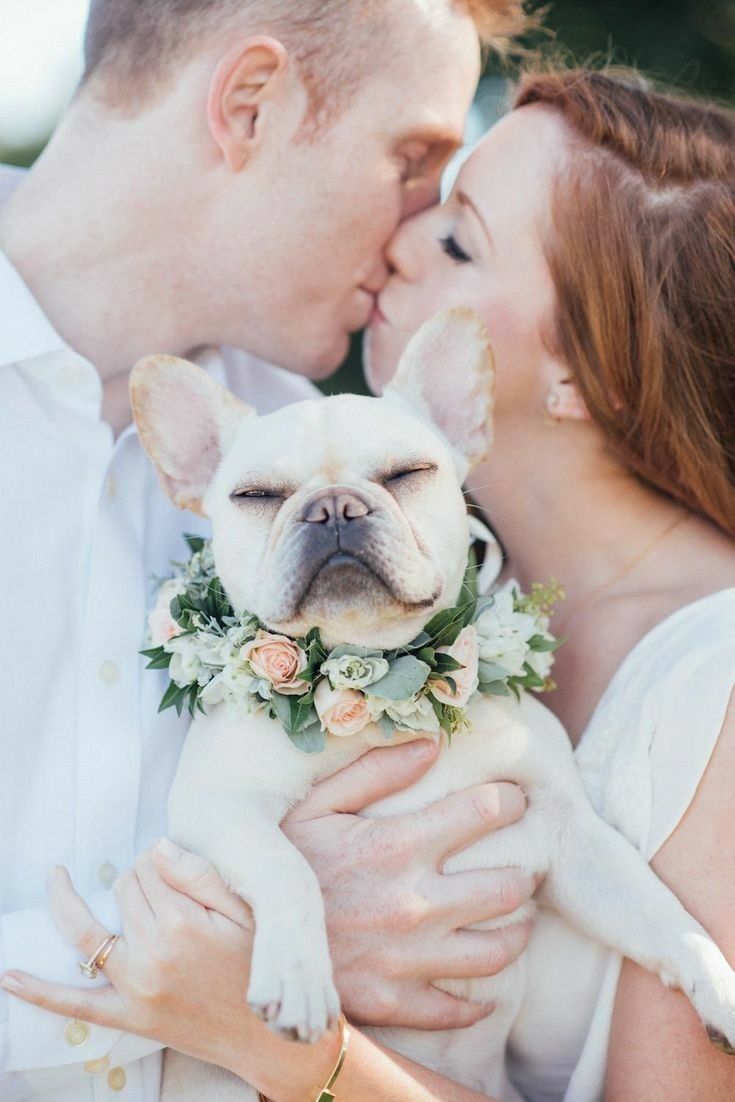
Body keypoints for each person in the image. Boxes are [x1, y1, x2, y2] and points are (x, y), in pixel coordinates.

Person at [0, 1, 541, 1099]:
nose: (411, 233)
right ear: (248, 106)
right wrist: (254, 931)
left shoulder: (334, 475)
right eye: (411, 159)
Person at [366, 66, 735, 1099]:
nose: (395, 241)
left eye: (456, 241)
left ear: (587, 373)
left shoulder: (720, 683)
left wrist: (294, 1059)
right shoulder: (437, 607)